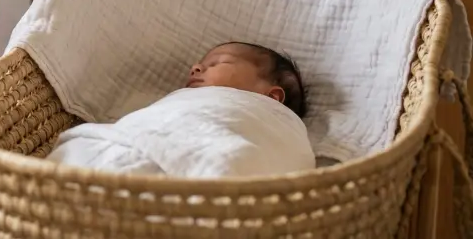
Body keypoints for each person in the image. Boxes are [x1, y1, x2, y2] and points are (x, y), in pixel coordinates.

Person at [46, 42, 313, 178]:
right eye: (199, 64)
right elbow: (156, 124)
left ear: (272, 97)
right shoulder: (182, 101)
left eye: (219, 62)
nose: (195, 68)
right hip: (134, 149)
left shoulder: (266, 118)